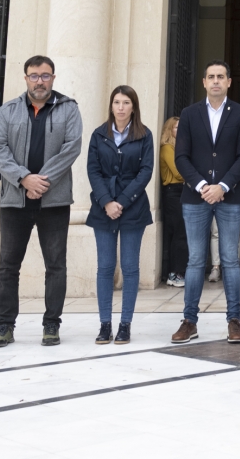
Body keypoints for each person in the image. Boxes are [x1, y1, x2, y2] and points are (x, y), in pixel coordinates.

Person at [0, 55, 84, 348]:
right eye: (34, 75)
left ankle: (51, 325)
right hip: (15, 200)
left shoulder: (69, 109)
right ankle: (5, 325)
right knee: (8, 266)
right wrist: (23, 178)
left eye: (45, 75)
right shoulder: (8, 111)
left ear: (53, 78)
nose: (39, 81)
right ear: (25, 78)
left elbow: (72, 147)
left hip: (54, 201)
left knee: (55, 265)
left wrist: (41, 181)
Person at [170, 60, 240, 345]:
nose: (216, 81)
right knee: (195, 261)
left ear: (229, 82)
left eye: (221, 76)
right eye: (211, 77)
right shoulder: (190, 114)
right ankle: (189, 321)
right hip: (196, 197)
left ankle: (234, 320)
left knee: (230, 261)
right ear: (204, 82)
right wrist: (205, 186)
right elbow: (181, 156)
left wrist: (224, 186)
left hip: (230, 198)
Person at [87, 85, 154, 346]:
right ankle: (105, 324)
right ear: (111, 106)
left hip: (133, 208)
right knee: (105, 267)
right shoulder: (98, 135)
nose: (121, 107)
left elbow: (146, 172)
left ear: (133, 107)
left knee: (130, 267)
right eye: (117, 102)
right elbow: (93, 171)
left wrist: (122, 202)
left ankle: (125, 324)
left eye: (126, 102)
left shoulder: (144, 135)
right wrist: (106, 202)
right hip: (103, 208)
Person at [158, 117, 187, 288]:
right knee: (178, 233)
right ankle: (174, 273)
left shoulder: (178, 147)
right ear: (169, 130)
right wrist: (192, 175)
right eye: (177, 127)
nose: (180, 130)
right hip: (173, 192)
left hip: (181, 191)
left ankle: (178, 271)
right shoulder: (167, 148)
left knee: (181, 233)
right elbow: (177, 173)